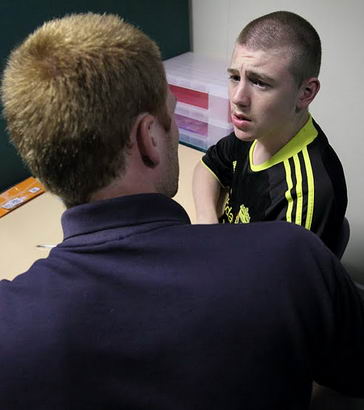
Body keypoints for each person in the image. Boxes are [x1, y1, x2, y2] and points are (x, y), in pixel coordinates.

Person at [1, 12, 363, 410]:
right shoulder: (287, 258)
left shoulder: (14, 327)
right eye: (170, 116)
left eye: (259, 82)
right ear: (147, 139)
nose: (238, 98)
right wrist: (209, 234)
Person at [193, 11, 347, 255]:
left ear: (305, 93)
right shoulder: (255, 130)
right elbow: (208, 167)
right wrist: (207, 222)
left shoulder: (305, 194)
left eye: (259, 82)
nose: (237, 98)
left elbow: (272, 286)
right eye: (235, 77)